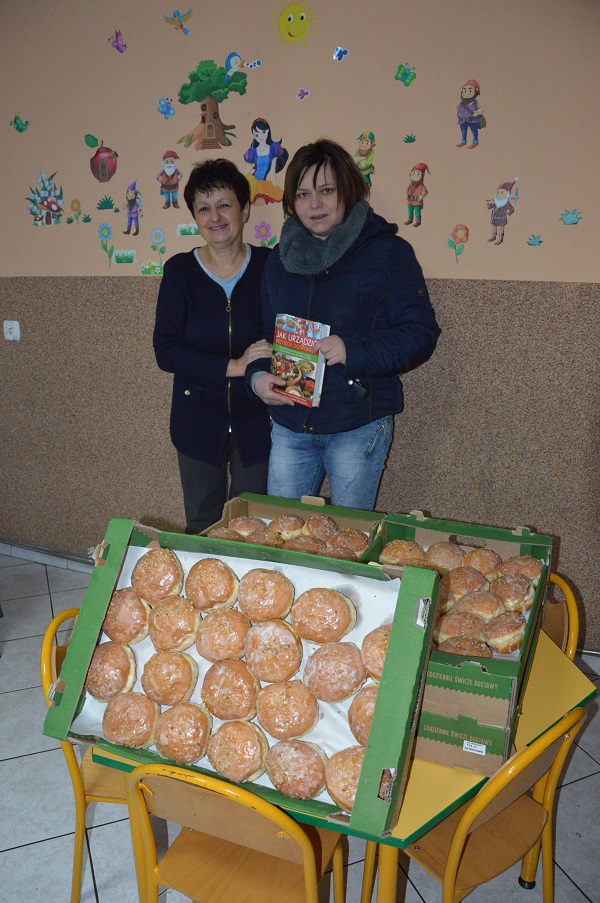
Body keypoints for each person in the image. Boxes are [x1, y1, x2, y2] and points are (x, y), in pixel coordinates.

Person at [247, 138, 440, 511]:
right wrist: (257, 378)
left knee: (349, 537)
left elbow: (420, 334)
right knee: (280, 531)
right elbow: (264, 335)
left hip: (357, 422)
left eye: (326, 190)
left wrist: (353, 351)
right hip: (290, 422)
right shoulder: (279, 258)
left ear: (347, 191)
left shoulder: (388, 253)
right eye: (303, 194)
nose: (314, 204)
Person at [153, 159, 272, 533]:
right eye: (204, 208)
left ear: (245, 210)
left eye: (224, 204)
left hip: (259, 420)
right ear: (195, 217)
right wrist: (234, 366)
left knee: (253, 526)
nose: (215, 217)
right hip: (196, 420)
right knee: (202, 523)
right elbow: (166, 350)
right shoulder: (180, 271)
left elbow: (286, 334)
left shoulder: (271, 266)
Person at [243, 118, 289, 205]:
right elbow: (247, 170)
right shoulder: (252, 151)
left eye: (263, 132)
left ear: (268, 131)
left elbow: (272, 171)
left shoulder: (273, 149)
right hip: (253, 182)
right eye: (257, 135)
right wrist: (239, 183)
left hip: (263, 183)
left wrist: (275, 186)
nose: (260, 137)